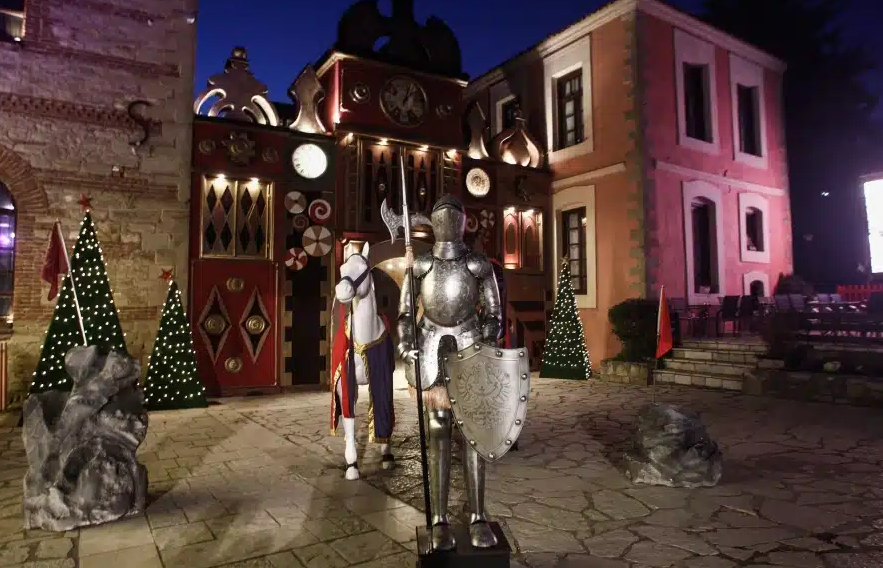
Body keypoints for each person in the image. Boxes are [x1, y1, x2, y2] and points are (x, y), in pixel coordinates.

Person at [397, 194, 502, 550]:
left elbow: (494, 312)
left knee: (473, 432)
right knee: (438, 430)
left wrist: (488, 337)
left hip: (469, 344)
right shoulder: (421, 265)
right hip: (430, 347)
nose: (447, 220)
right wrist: (406, 342)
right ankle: (439, 519)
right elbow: (406, 313)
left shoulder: (477, 264)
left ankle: (477, 516)